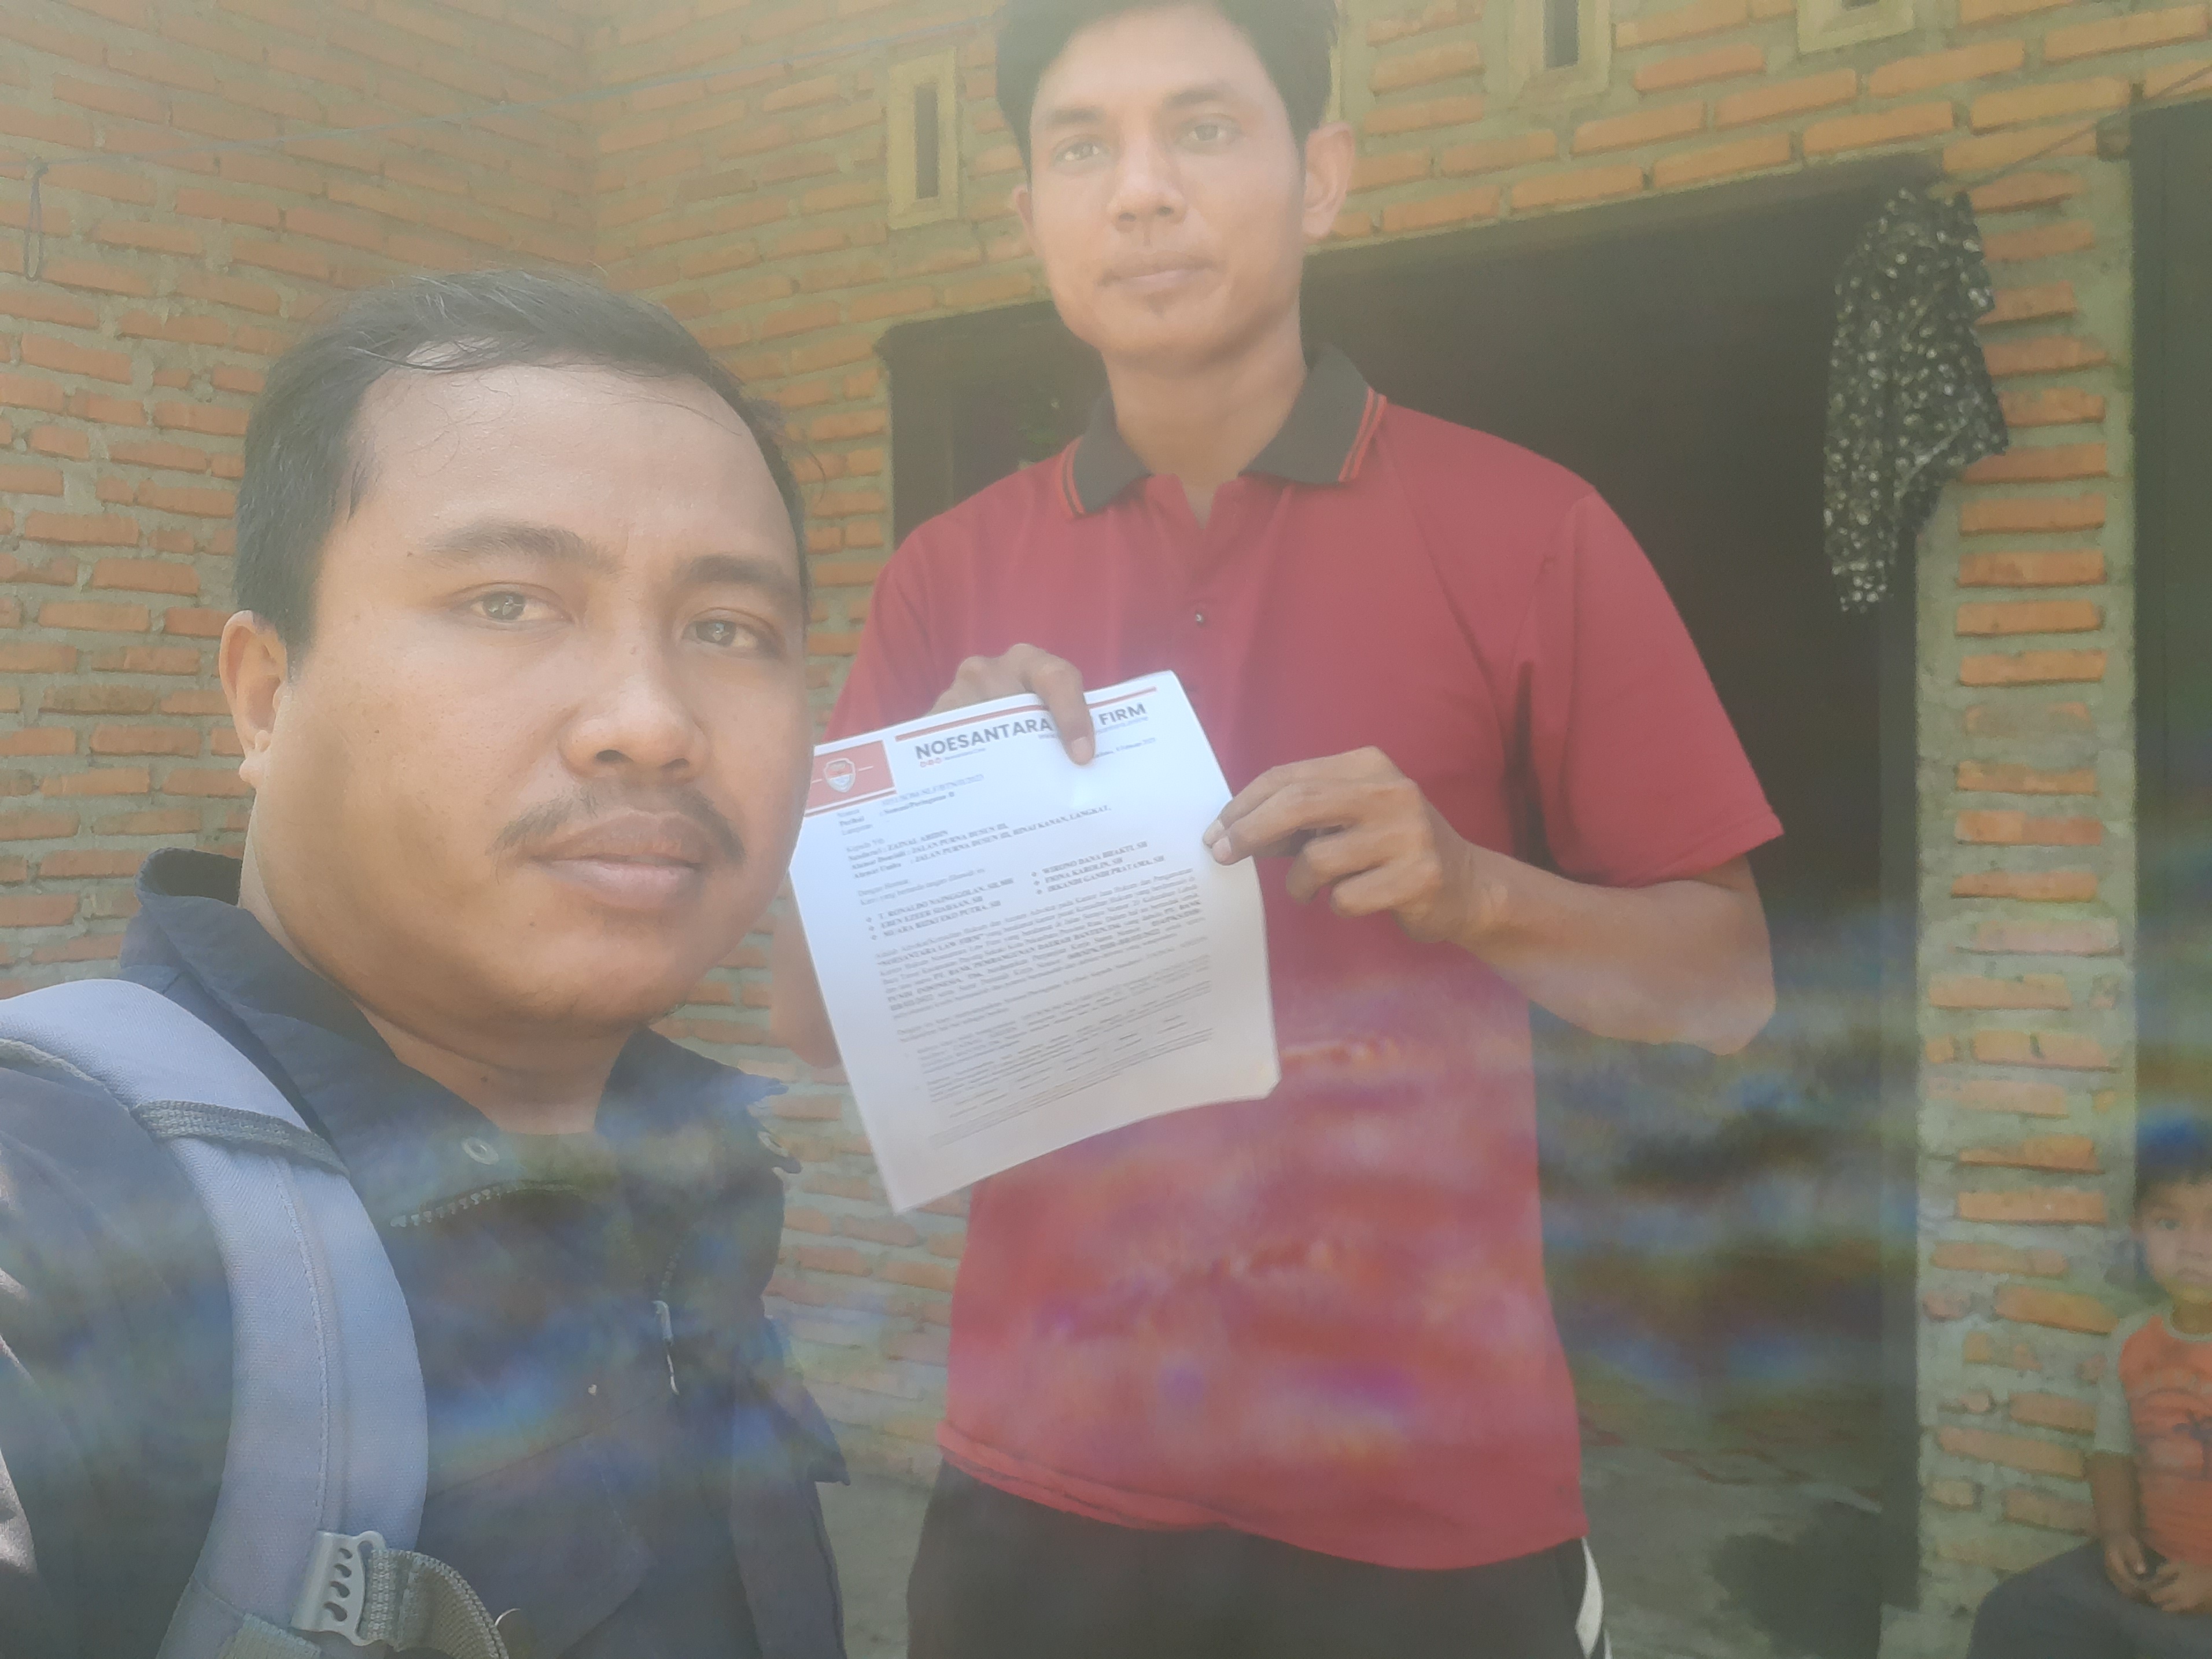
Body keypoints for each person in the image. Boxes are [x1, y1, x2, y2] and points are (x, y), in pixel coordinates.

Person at [770, 1, 1780, 1654]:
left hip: (1420, 1489)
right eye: (1082, 146)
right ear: (1026, 213)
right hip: (1043, 1471)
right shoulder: (947, 578)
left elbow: (1725, 985)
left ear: (1321, 177)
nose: (1140, 190)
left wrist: (1475, 889)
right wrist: (928, 821)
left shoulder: (1525, 529)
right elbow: (813, 1024)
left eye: (1203, 128)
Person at [0, 272, 847, 1658]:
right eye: (508, 600)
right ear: (264, 696)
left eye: (727, 629)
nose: (651, 722)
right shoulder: (63, 1208)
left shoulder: (684, 1171)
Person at [1968, 1116, 2212, 1657]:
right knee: (2014, 1613)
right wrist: (2118, 1535)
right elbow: (2112, 1452)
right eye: (2169, 1223)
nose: (2194, 1248)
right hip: (2156, 1566)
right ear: (2138, 1230)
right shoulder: (2133, 1341)